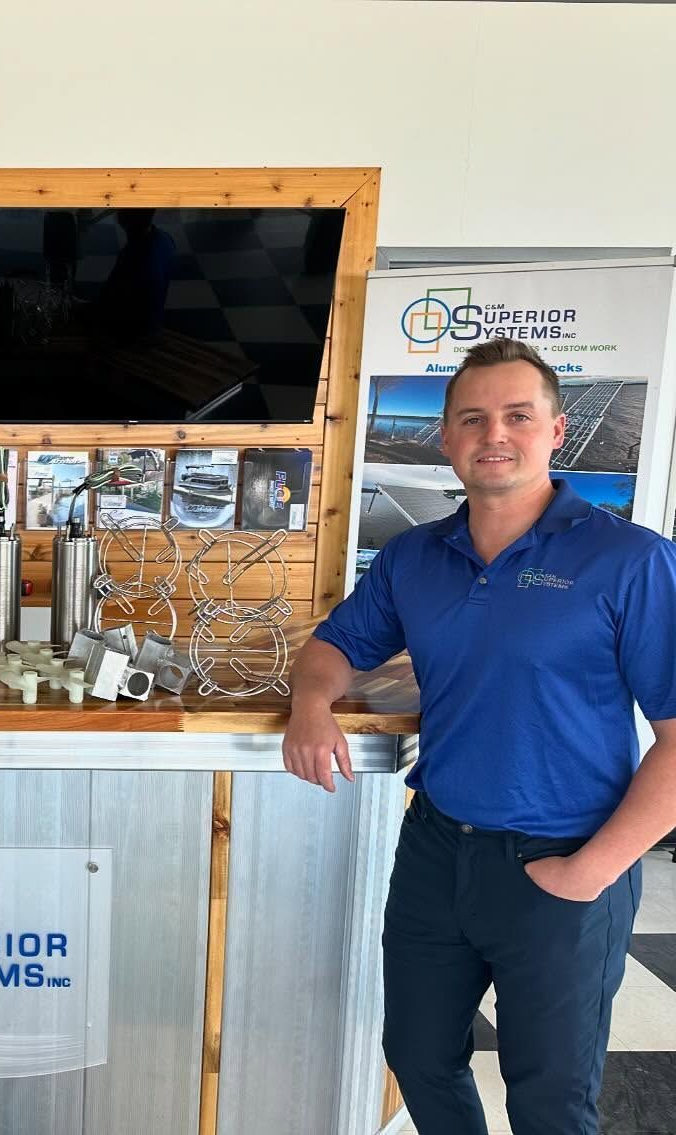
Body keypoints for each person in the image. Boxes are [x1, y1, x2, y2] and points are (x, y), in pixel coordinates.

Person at [283, 338, 676, 1135]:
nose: (494, 433)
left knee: (550, 1099)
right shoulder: (414, 557)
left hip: (564, 858)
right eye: (473, 417)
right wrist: (311, 705)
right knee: (419, 1056)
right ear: (447, 438)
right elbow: (335, 645)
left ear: (556, 430)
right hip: (436, 851)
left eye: (517, 415)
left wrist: (590, 872)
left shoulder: (629, 560)